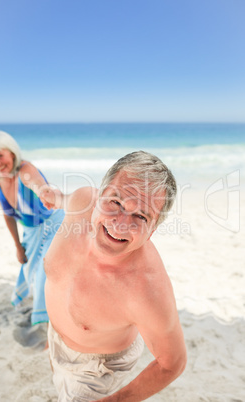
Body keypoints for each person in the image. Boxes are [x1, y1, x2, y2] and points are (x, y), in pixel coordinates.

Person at [41, 150, 187, 401]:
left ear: (152, 231)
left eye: (140, 216)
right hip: (55, 336)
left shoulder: (146, 290)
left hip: (97, 366)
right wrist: (55, 198)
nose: (119, 224)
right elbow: (67, 199)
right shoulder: (82, 201)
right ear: (99, 195)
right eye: (115, 203)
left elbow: (172, 363)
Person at [0, 131, 65, 326]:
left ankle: (51, 324)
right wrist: (17, 246)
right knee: (29, 274)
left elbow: (38, 185)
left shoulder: (25, 170)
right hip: (31, 233)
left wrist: (46, 193)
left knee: (46, 274)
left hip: (53, 225)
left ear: (12, 153)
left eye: (0, 156)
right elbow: (8, 215)